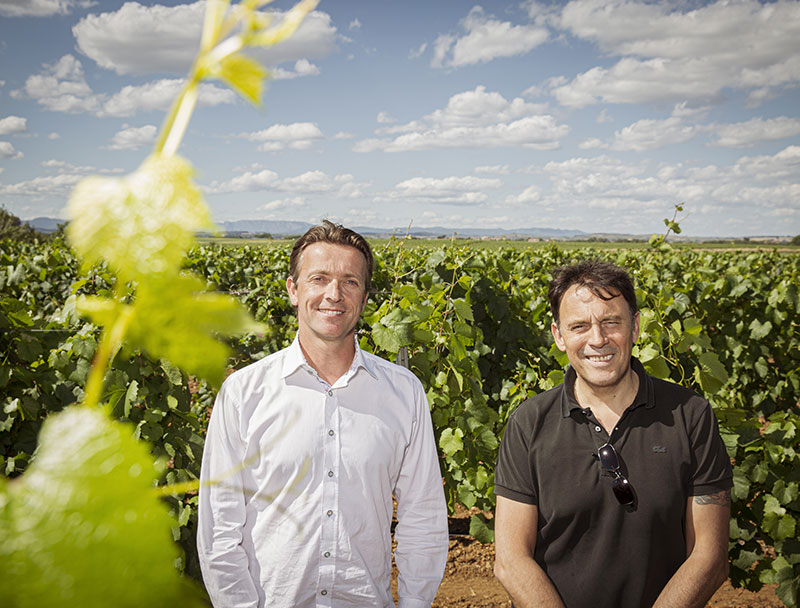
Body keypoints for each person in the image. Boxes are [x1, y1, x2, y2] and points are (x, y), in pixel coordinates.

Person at [198, 220, 448, 607]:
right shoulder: (244, 394)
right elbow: (219, 530)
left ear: (364, 298)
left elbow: (423, 520)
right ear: (293, 290)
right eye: (318, 278)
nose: (334, 294)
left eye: (350, 281)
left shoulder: (403, 393)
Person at [493, 260, 732, 608]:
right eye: (579, 326)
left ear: (635, 327)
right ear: (559, 336)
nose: (597, 339)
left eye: (611, 322)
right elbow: (511, 561)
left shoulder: (691, 415)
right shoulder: (528, 424)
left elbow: (709, 558)